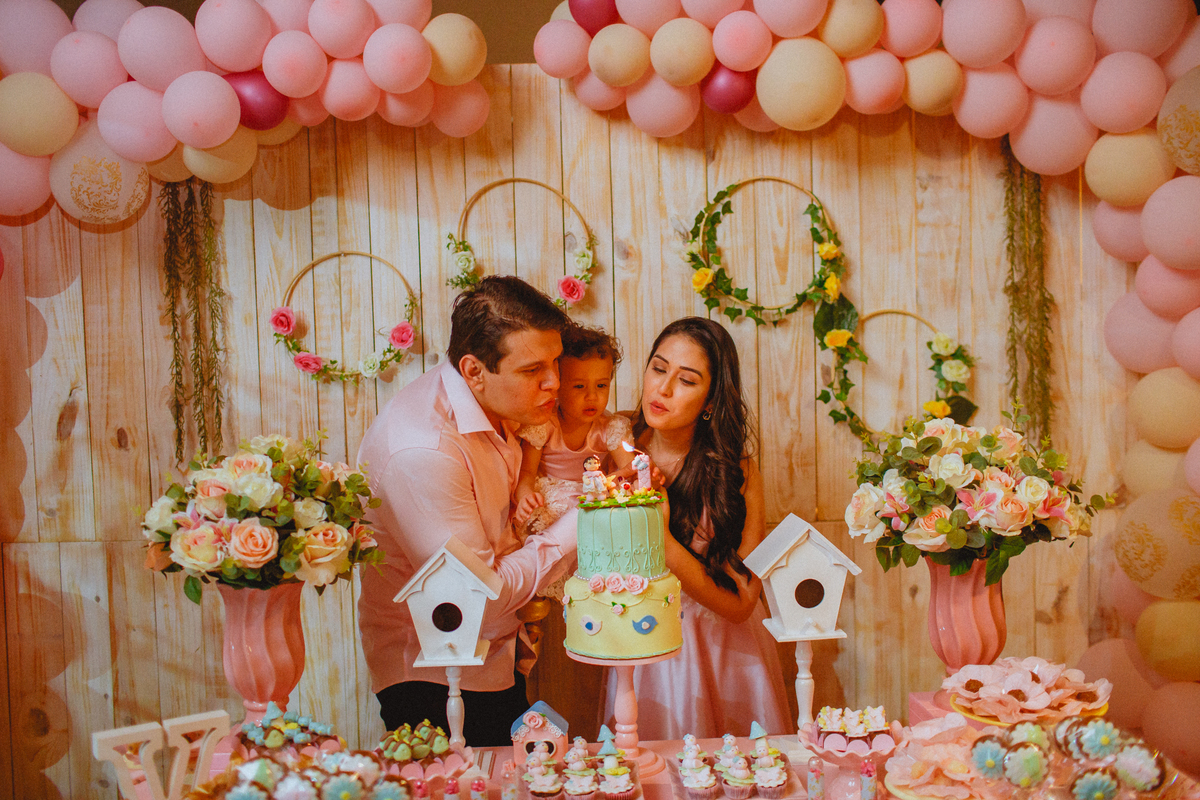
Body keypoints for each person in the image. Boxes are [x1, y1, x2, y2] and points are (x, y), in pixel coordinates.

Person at [357, 276, 578, 745]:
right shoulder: (424, 450)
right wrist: (579, 524)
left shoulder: (499, 403)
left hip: (498, 656)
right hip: (434, 678)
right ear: (473, 370)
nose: (555, 382)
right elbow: (476, 599)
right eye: (532, 370)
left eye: (555, 362)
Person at [603, 316, 791, 740]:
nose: (663, 389)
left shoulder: (737, 471)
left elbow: (742, 603)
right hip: (640, 642)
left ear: (710, 401)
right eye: (658, 368)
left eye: (686, 380)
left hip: (723, 650)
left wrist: (664, 543)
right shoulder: (614, 442)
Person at [513, 324, 635, 539]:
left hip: (593, 499)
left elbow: (630, 468)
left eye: (601, 386)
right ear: (557, 385)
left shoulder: (610, 428)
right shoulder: (545, 425)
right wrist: (525, 496)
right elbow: (526, 473)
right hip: (553, 504)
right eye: (579, 386)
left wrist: (637, 473)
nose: (592, 397)